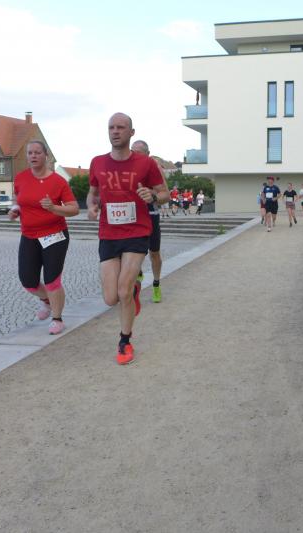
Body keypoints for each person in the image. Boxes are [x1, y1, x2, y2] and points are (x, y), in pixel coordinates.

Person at [87, 113, 169, 365]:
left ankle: (125, 341)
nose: (115, 131)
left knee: (122, 290)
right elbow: (92, 193)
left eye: (121, 127)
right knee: (110, 298)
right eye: (111, 127)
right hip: (108, 234)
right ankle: (134, 291)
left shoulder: (145, 163)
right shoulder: (97, 162)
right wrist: (91, 206)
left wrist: (152, 197)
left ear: (131, 132)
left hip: (137, 231)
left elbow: (165, 193)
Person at [9, 140, 79, 335]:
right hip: (29, 235)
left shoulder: (58, 181)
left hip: (55, 235)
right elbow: (18, 197)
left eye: (37, 152)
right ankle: (47, 301)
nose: (33, 156)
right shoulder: (21, 177)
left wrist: (54, 208)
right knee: (27, 280)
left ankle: (57, 318)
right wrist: (15, 209)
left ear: (46, 156)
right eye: (30, 153)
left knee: (52, 280)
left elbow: (74, 209)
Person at [131, 139, 168, 304]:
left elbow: (165, 195)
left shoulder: (154, 167)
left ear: (147, 154)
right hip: (133, 215)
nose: (135, 154)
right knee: (132, 251)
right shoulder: (127, 167)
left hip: (151, 214)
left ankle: (156, 283)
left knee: (154, 253)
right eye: (133, 151)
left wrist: (151, 194)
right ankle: (136, 277)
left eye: (138, 152)